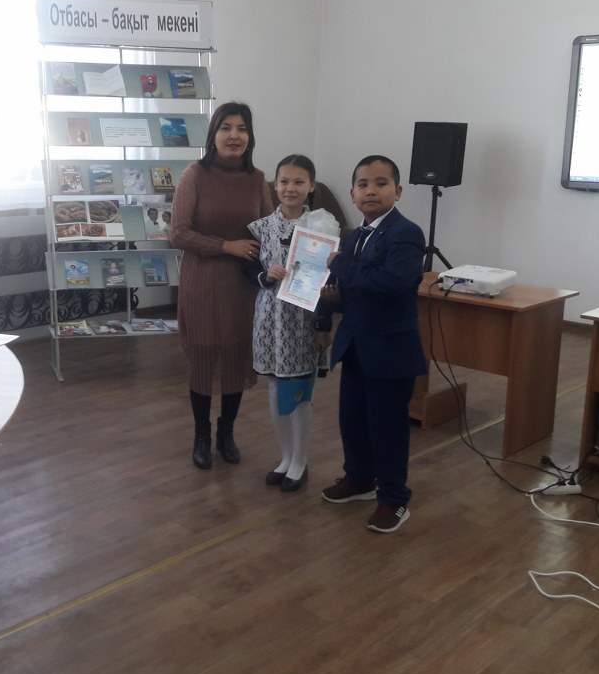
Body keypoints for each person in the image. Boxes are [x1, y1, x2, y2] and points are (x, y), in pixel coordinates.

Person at [315, 155, 427, 533]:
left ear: (398, 191)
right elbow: (353, 289)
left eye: (381, 183)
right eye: (363, 184)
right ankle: (360, 478)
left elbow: (390, 283)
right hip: (355, 344)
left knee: (387, 426)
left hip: (391, 351)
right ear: (352, 194)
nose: (371, 191)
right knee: (352, 419)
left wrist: (340, 266)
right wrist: (332, 305)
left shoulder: (406, 233)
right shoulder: (353, 237)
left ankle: (394, 498)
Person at [171, 102, 273, 470]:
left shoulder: (257, 179)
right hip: (201, 281)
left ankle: (226, 432)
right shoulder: (195, 175)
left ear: (250, 136)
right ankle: (201, 434)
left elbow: (269, 230)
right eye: (226, 127)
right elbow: (179, 233)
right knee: (202, 358)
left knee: (235, 357)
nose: (234, 135)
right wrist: (225, 245)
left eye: (242, 128)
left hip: (242, 286)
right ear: (213, 135)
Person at [245, 154, 340, 493]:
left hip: (302, 320)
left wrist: (324, 324)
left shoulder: (322, 227)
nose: (290, 188)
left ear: (311, 186)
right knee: (275, 386)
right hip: (269, 319)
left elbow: (329, 280)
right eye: (284, 181)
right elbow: (248, 269)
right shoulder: (260, 227)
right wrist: (265, 274)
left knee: (299, 392)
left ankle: (300, 460)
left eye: (299, 182)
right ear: (275, 185)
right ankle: (285, 457)